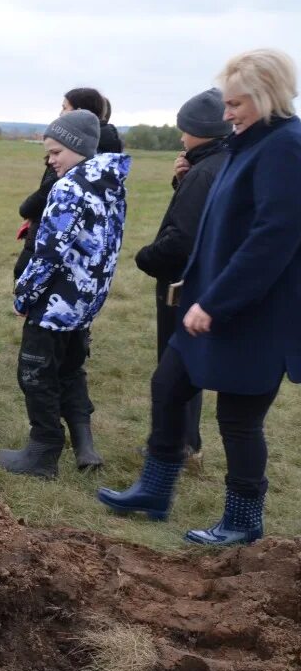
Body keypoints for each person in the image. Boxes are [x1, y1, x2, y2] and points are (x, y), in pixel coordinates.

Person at [99, 49, 301, 545]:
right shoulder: (247, 143)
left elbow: (272, 239)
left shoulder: (286, 147)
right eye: (227, 104)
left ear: (267, 95)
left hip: (255, 313)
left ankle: (243, 520)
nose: (227, 114)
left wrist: (217, 303)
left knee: (238, 418)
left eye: (237, 103)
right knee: (169, 387)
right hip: (208, 301)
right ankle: (154, 488)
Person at [0, 110, 131, 477]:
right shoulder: (109, 184)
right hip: (85, 302)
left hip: (55, 303)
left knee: (35, 374)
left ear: (78, 148)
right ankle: (83, 446)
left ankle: (42, 452)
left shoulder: (69, 188)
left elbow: (49, 252)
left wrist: (23, 295)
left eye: (56, 152)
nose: (51, 160)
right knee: (71, 369)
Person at [134, 88, 233, 466]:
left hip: (184, 285)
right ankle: (185, 443)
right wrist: (182, 182)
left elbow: (182, 240)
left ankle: (177, 447)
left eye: (185, 129)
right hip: (209, 280)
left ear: (201, 130)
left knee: (176, 370)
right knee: (187, 367)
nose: (181, 136)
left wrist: (146, 258)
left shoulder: (204, 172)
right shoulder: (221, 163)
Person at [13, 87, 122, 282]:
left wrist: (29, 208)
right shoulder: (102, 160)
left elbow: (52, 249)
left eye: (64, 107)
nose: (60, 113)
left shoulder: (74, 167)